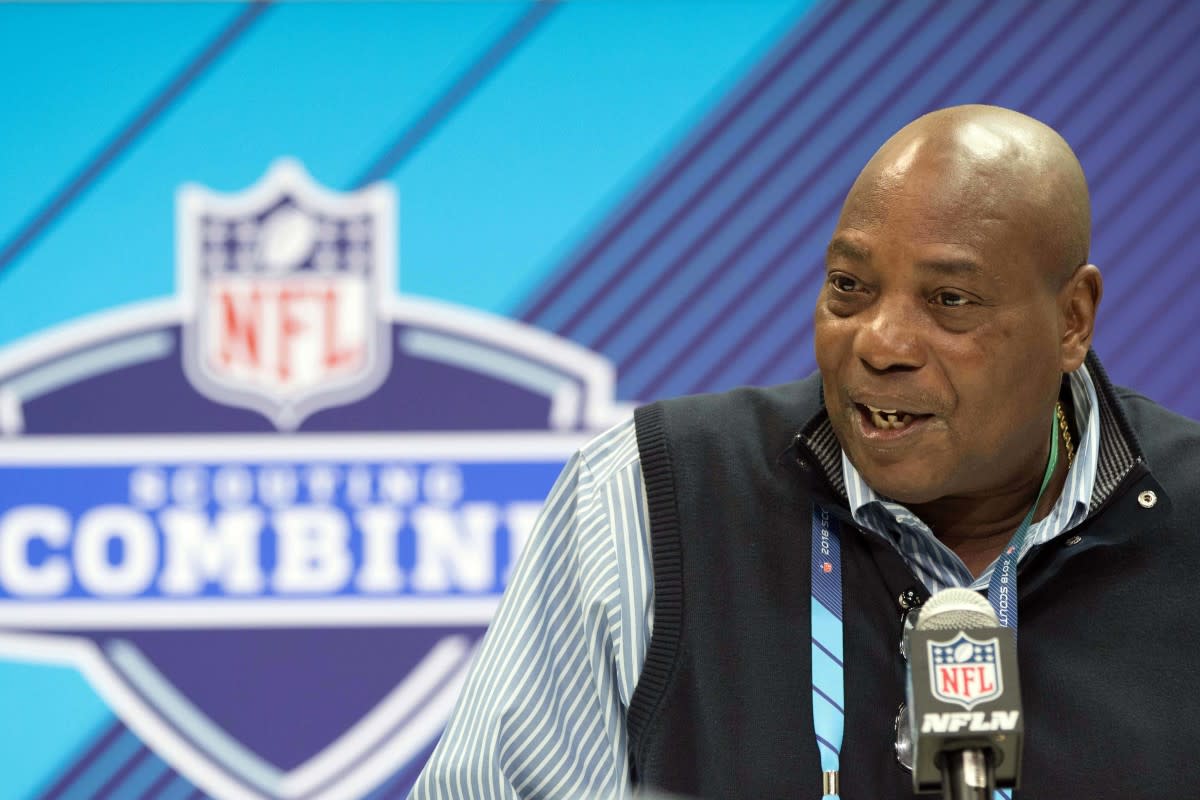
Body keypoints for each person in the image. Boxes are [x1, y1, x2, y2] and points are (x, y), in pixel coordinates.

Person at [408, 105, 1200, 799]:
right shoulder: (652, 494)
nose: (881, 342)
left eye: (949, 300)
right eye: (849, 288)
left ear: (1072, 320)